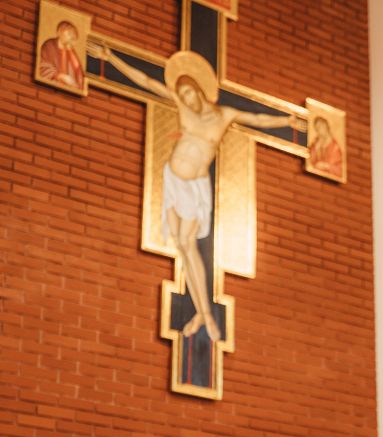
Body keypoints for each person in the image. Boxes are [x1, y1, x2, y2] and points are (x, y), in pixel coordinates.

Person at [87, 43, 303, 344]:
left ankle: (205, 314)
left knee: (189, 245)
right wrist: (110, 58)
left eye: (190, 93)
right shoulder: (183, 109)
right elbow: (146, 81)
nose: (188, 99)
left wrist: (288, 121)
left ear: (200, 90)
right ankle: (202, 312)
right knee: (182, 245)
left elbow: (258, 119)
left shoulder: (224, 114)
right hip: (173, 179)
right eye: (184, 95)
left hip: (194, 187)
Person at [39, 20, 84, 90]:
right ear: (59, 32)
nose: (71, 37)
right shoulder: (49, 46)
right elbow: (43, 66)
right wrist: (60, 76)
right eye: (69, 33)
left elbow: (78, 71)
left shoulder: (70, 51)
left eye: (72, 35)